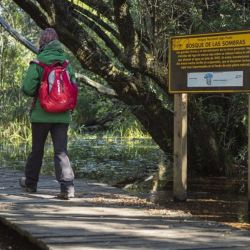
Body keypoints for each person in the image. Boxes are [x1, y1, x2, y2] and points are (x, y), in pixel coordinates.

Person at [19, 28, 76, 199]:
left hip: (41, 114)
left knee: (37, 149)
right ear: (57, 42)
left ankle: (30, 185)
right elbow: (73, 87)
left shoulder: (38, 63)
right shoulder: (67, 63)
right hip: (63, 115)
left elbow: (28, 89)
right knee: (61, 151)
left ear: (42, 42)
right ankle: (67, 188)